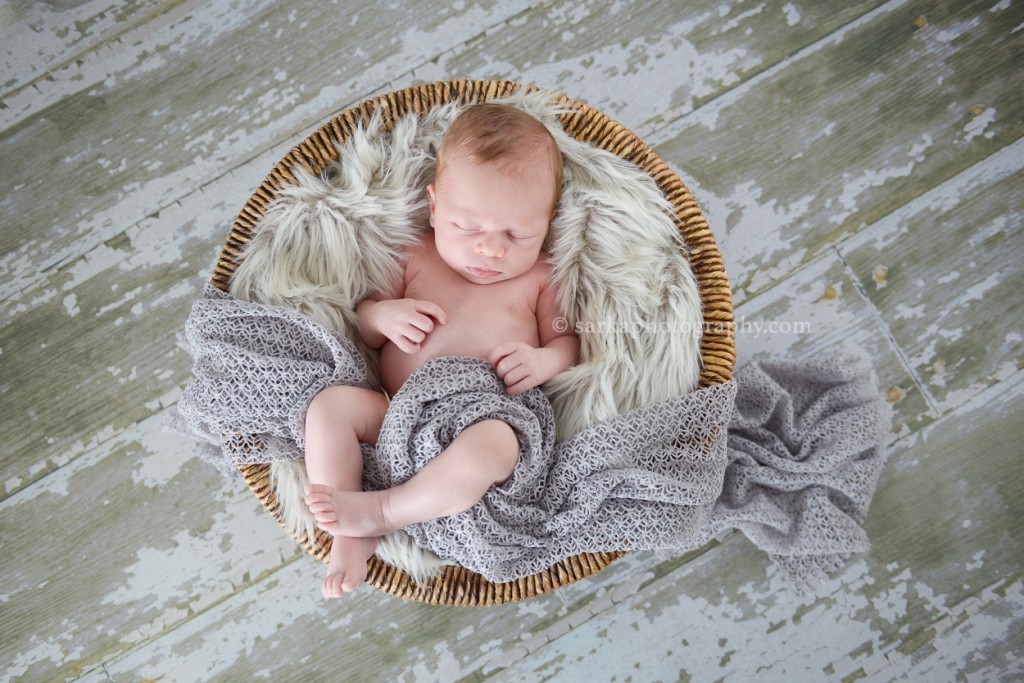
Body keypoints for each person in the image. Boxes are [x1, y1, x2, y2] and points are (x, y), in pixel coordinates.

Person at [302, 103, 580, 598]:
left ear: (548, 222)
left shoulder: (541, 278)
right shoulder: (414, 256)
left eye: (517, 234)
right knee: (329, 407)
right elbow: (365, 325)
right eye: (469, 228)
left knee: (494, 445)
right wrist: (383, 316)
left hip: (490, 414)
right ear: (434, 207)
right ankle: (349, 535)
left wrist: (543, 361)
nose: (491, 251)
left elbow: (567, 342)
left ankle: (385, 510)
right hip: (394, 414)